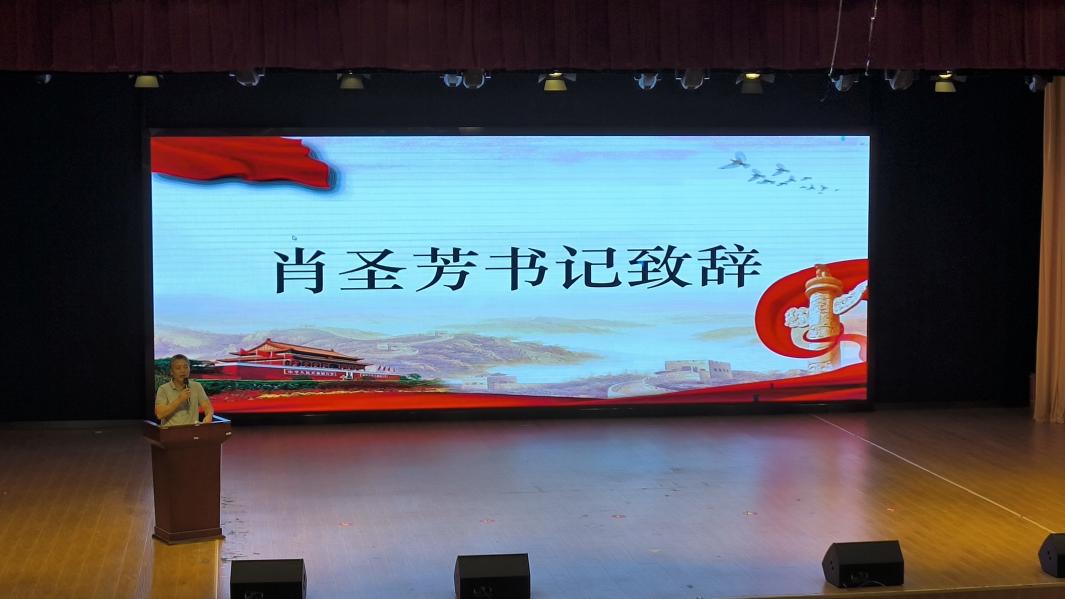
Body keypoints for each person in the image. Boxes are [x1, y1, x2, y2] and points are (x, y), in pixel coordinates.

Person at [155, 354, 214, 427]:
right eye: (178, 368)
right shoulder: (163, 389)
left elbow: (208, 407)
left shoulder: (196, 386)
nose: (183, 371)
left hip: (192, 431)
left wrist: (209, 415)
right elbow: (159, 414)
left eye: (186, 367)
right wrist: (180, 399)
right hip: (171, 432)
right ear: (171, 372)